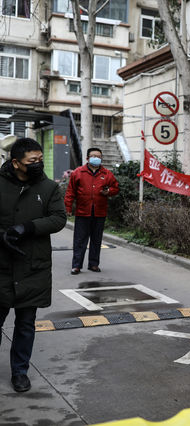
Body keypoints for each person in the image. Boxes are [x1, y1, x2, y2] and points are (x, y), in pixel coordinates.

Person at [0, 137, 66, 392]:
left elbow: (58, 218)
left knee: (26, 324)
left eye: (40, 159)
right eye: (32, 161)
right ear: (16, 163)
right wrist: (4, 235)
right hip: (3, 264)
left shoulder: (48, 187)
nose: (38, 164)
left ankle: (20, 372)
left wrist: (27, 227)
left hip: (32, 266)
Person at [64, 148, 119, 274]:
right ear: (88, 158)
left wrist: (108, 192)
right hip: (83, 212)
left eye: (98, 156)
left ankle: (93, 264)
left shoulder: (107, 173)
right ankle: (76, 265)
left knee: (96, 239)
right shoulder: (78, 172)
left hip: (99, 212)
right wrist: (68, 207)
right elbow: (70, 192)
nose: (96, 158)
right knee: (80, 240)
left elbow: (115, 188)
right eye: (93, 156)